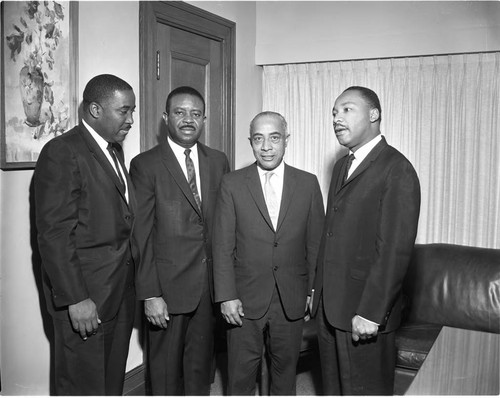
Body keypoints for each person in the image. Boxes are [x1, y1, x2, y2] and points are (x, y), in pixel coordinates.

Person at [312, 86, 421, 395]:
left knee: (364, 390)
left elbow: (394, 251)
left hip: (363, 312)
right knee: (333, 389)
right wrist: (315, 292)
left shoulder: (396, 169)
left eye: (347, 109)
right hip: (330, 308)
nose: (337, 119)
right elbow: (331, 234)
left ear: (374, 115)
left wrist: (372, 312)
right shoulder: (341, 167)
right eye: (334, 112)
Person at [34, 74, 138, 395]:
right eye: (124, 111)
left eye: (132, 111)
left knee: (108, 386)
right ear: (95, 109)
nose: (131, 120)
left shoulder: (113, 150)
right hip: (85, 299)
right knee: (83, 387)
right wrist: (76, 298)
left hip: (117, 293)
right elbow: (54, 234)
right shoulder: (62, 152)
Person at [213, 111, 325, 395]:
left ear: (286, 140)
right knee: (240, 375)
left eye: (274, 138)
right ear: (250, 142)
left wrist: (313, 291)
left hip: (291, 296)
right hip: (244, 298)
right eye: (258, 139)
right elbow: (223, 245)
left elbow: (315, 244)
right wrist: (226, 295)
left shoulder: (308, 184)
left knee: (285, 374)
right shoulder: (232, 183)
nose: (266, 147)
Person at [130, 86, 230, 395]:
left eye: (196, 114)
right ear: (165, 118)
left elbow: (224, 226)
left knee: (199, 373)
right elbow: (141, 234)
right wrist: (150, 294)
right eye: (180, 112)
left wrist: (226, 287)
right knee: (164, 376)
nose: (188, 120)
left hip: (207, 290)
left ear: (204, 120)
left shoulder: (218, 161)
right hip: (167, 291)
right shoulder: (145, 165)